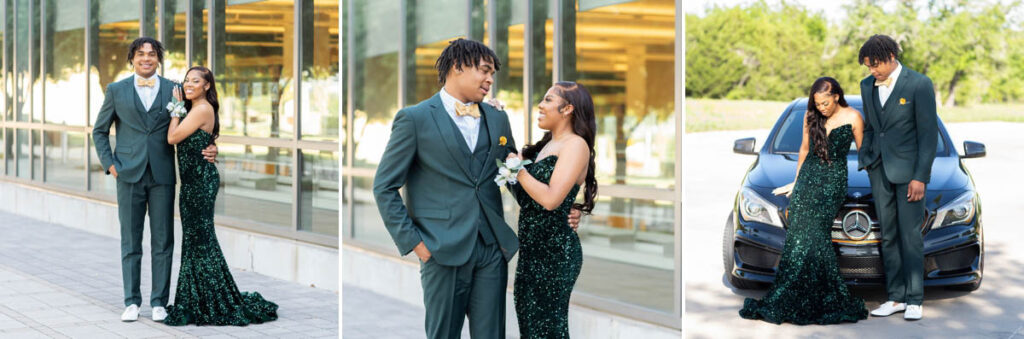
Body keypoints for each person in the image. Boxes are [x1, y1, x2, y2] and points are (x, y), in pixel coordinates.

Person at [372, 38, 581, 339]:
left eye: (493, 74)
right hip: (441, 249)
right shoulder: (414, 119)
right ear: (457, 67)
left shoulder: (497, 118)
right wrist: (416, 244)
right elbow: (384, 187)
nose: (490, 80)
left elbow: (515, 177)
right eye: (484, 71)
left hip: (491, 249)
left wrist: (566, 207)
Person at [92, 37, 218, 322]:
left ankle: (159, 301)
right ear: (133, 59)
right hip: (128, 174)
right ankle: (131, 302)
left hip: (162, 175)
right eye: (140, 54)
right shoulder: (116, 90)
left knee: (163, 241)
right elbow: (99, 131)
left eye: (151, 54)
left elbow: (202, 117)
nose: (146, 58)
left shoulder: (176, 89)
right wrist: (110, 165)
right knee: (131, 240)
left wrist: (212, 146)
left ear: (158, 59)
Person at [739, 77, 869, 324]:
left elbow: (865, 153)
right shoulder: (810, 117)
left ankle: (821, 295)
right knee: (799, 236)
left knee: (815, 234)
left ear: (836, 97)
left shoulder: (853, 117)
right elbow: (804, 150)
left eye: (825, 103)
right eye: (817, 103)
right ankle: (796, 293)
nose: (821, 107)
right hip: (808, 178)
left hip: (833, 182)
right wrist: (796, 182)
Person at [162, 66, 278, 326]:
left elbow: (172, 137)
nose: (189, 84)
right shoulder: (197, 110)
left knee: (201, 241)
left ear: (206, 86)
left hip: (201, 184)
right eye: (186, 80)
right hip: (192, 184)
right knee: (195, 242)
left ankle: (214, 300)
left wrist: (176, 108)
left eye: (195, 81)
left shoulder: (201, 109)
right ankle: (197, 299)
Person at [505, 81, 597, 338]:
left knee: (548, 330)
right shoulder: (544, 146)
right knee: (531, 328)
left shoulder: (576, 145)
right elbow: (528, 198)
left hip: (555, 255)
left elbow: (550, 200)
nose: (541, 105)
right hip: (531, 253)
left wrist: (519, 170)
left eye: (548, 100)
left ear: (567, 109)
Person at [857, 34, 938, 321]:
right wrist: (865, 158)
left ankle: (915, 298)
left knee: (910, 235)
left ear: (892, 56)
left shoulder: (919, 84)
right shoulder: (867, 86)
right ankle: (895, 297)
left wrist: (920, 177)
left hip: (909, 174)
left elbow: (928, 137)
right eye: (868, 66)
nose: (872, 71)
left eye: (875, 65)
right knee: (888, 235)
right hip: (878, 170)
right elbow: (870, 128)